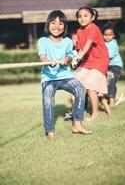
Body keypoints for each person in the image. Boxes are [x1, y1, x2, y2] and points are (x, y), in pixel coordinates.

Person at [37, 10, 91, 140]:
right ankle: (50, 131)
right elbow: (42, 57)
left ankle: (77, 124)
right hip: (49, 78)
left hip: (66, 76)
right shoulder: (43, 41)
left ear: (65, 26)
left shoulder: (67, 41)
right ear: (48, 25)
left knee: (79, 89)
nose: (57, 26)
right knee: (48, 101)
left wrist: (66, 60)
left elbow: (69, 55)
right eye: (53, 23)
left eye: (61, 23)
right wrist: (48, 62)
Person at [73, 6, 110, 121]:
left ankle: (95, 114)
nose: (82, 18)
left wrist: (78, 58)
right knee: (75, 82)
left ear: (92, 17)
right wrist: (74, 60)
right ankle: (76, 111)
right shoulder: (79, 31)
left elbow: (88, 45)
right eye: (79, 16)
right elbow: (79, 50)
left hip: (100, 60)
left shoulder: (94, 29)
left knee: (90, 84)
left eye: (85, 16)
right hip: (87, 61)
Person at [102, 23, 123, 107]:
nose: (107, 37)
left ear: (114, 35)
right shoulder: (102, 43)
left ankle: (111, 101)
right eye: (105, 35)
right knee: (105, 82)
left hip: (115, 66)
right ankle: (105, 99)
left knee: (111, 81)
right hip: (106, 66)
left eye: (110, 35)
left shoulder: (114, 43)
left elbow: (109, 55)